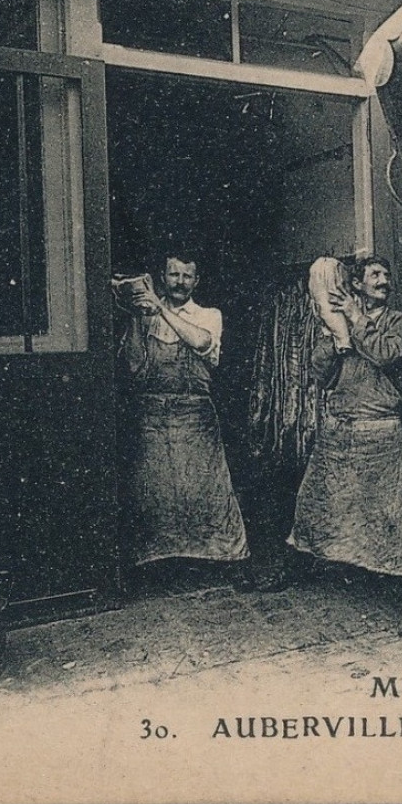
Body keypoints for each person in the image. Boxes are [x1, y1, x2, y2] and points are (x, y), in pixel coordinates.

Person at [274, 255, 402, 636]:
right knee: (315, 505)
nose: (384, 280)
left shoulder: (400, 322)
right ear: (356, 285)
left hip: (380, 434)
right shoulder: (338, 324)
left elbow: (385, 353)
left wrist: (356, 322)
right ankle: (296, 566)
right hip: (339, 431)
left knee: (389, 521)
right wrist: (338, 342)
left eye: (387, 275)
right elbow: (318, 373)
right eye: (375, 274)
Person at [116, 250, 250, 589]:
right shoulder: (143, 316)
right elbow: (132, 367)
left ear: (196, 281)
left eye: (187, 276)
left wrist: (159, 308)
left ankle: (221, 562)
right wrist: (135, 315)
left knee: (207, 493)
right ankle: (155, 570)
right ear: (163, 278)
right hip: (151, 417)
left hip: (195, 416)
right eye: (174, 275)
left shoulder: (208, 315)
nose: (180, 282)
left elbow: (202, 342)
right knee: (153, 494)